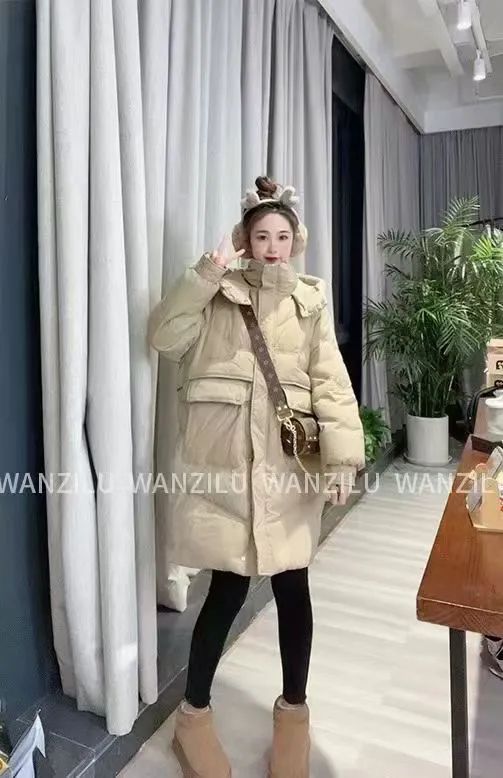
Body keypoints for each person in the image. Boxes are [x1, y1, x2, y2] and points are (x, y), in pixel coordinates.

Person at [148, 176, 365, 777]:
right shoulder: (217, 294)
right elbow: (164, 337)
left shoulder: (309, 302)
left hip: (289, 474)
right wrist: (207, 272)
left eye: (283, 236)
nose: (273, 247)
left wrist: (342, 459)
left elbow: (331, 383)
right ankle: (192, 718)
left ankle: (294, 717)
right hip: (226, 478)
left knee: (294, 589)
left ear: (297, 242)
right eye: (262, 236)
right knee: (226, 592)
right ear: (245, 240)